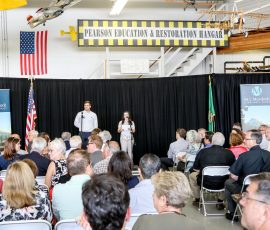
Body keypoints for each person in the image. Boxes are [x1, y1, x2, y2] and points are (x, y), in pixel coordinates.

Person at [224, 129, 270, 220]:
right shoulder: (268, 155)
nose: (244, 141)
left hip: (247, 190)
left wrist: (241, 178)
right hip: (266, 190)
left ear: (254, 141)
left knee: (228, 182)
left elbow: (234, 176)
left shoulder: (244, 156)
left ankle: (232, 213)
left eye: (246, 139)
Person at [132, 171, 201, 230]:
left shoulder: (143, 222)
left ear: (163, 199)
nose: (152, 195)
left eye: (155, 192)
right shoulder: (197, 227)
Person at [189, 132, 235, 208]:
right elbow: (233, 170)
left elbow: (195, 168)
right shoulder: (229, 153)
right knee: (230, 179)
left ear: (212, 141)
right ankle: (220, 201)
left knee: (191, 176)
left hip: (205, 182)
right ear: (223, 142)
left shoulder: (203, 152)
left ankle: (197, 199)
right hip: (223, 183)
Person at [52, 149, 93, 221]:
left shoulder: (57, 189)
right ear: (88, 167)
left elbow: (57, 216)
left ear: (69, 170)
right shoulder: (99, 188)